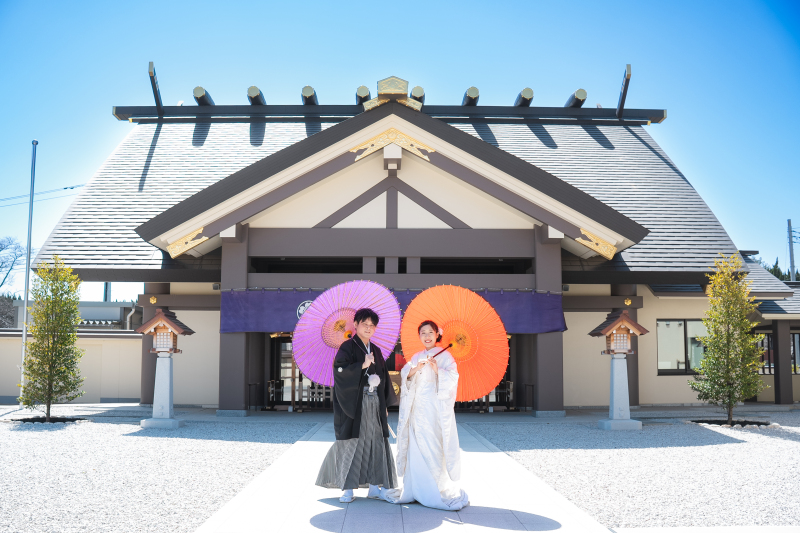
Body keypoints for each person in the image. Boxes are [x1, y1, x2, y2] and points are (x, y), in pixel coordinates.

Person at [380, 320, 469, 510]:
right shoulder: (417, 356)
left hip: (434, 410)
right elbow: (406, 376)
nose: (427, 336)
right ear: (419, 336)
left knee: (433, 446)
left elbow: (452, 379)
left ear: (437, 335)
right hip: (416, 409)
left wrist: (438, 370)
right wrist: (414, 369)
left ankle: (433, 488)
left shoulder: (446, 357)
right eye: (423, 333)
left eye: (430, 332)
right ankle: (415, 489)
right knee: (415, 445)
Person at [315, 308, 397, 502]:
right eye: (364, 324)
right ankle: (348, 488)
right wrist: (361, 365)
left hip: (375, 402)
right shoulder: (347, 347)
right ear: (356, 325)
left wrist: (384, 403)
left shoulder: (376, 349)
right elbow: (339, 371)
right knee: (354, 442)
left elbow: (383, 378)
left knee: (376, 441)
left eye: (372, 325)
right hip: (355, 404)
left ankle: (376, 486)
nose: (368, 328)